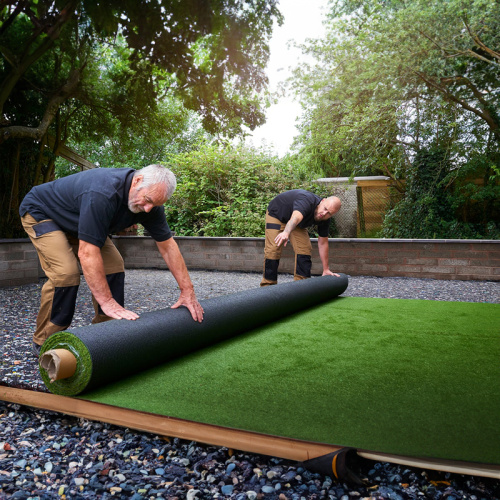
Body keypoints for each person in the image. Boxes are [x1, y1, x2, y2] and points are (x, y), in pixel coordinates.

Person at [19, 164, 204, 356]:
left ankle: (105, 333)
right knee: (65, 274)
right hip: (43, 213)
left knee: (113, 266)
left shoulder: (151, 204)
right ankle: (46, 341)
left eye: (154, 205)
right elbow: (87, 253)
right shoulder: (103, 192)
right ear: (138, 180)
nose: (148, 209)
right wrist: (106, 300)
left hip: (78, 220)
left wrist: (187, 291)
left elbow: (168, 246)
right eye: (147, 201)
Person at [260, 189, 342, 286]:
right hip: (277, 214)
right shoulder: (307, 200)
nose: (324, 213)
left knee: (304, 249)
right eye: (325, 208)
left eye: (329, 213)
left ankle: (301, 286)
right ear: (323, 201)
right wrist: (286, 232)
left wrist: (326, 269)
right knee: (273, 250)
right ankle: (268, 286)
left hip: (297, 223)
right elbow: (296, 217)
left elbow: (323, 242)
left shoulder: (325, 219)